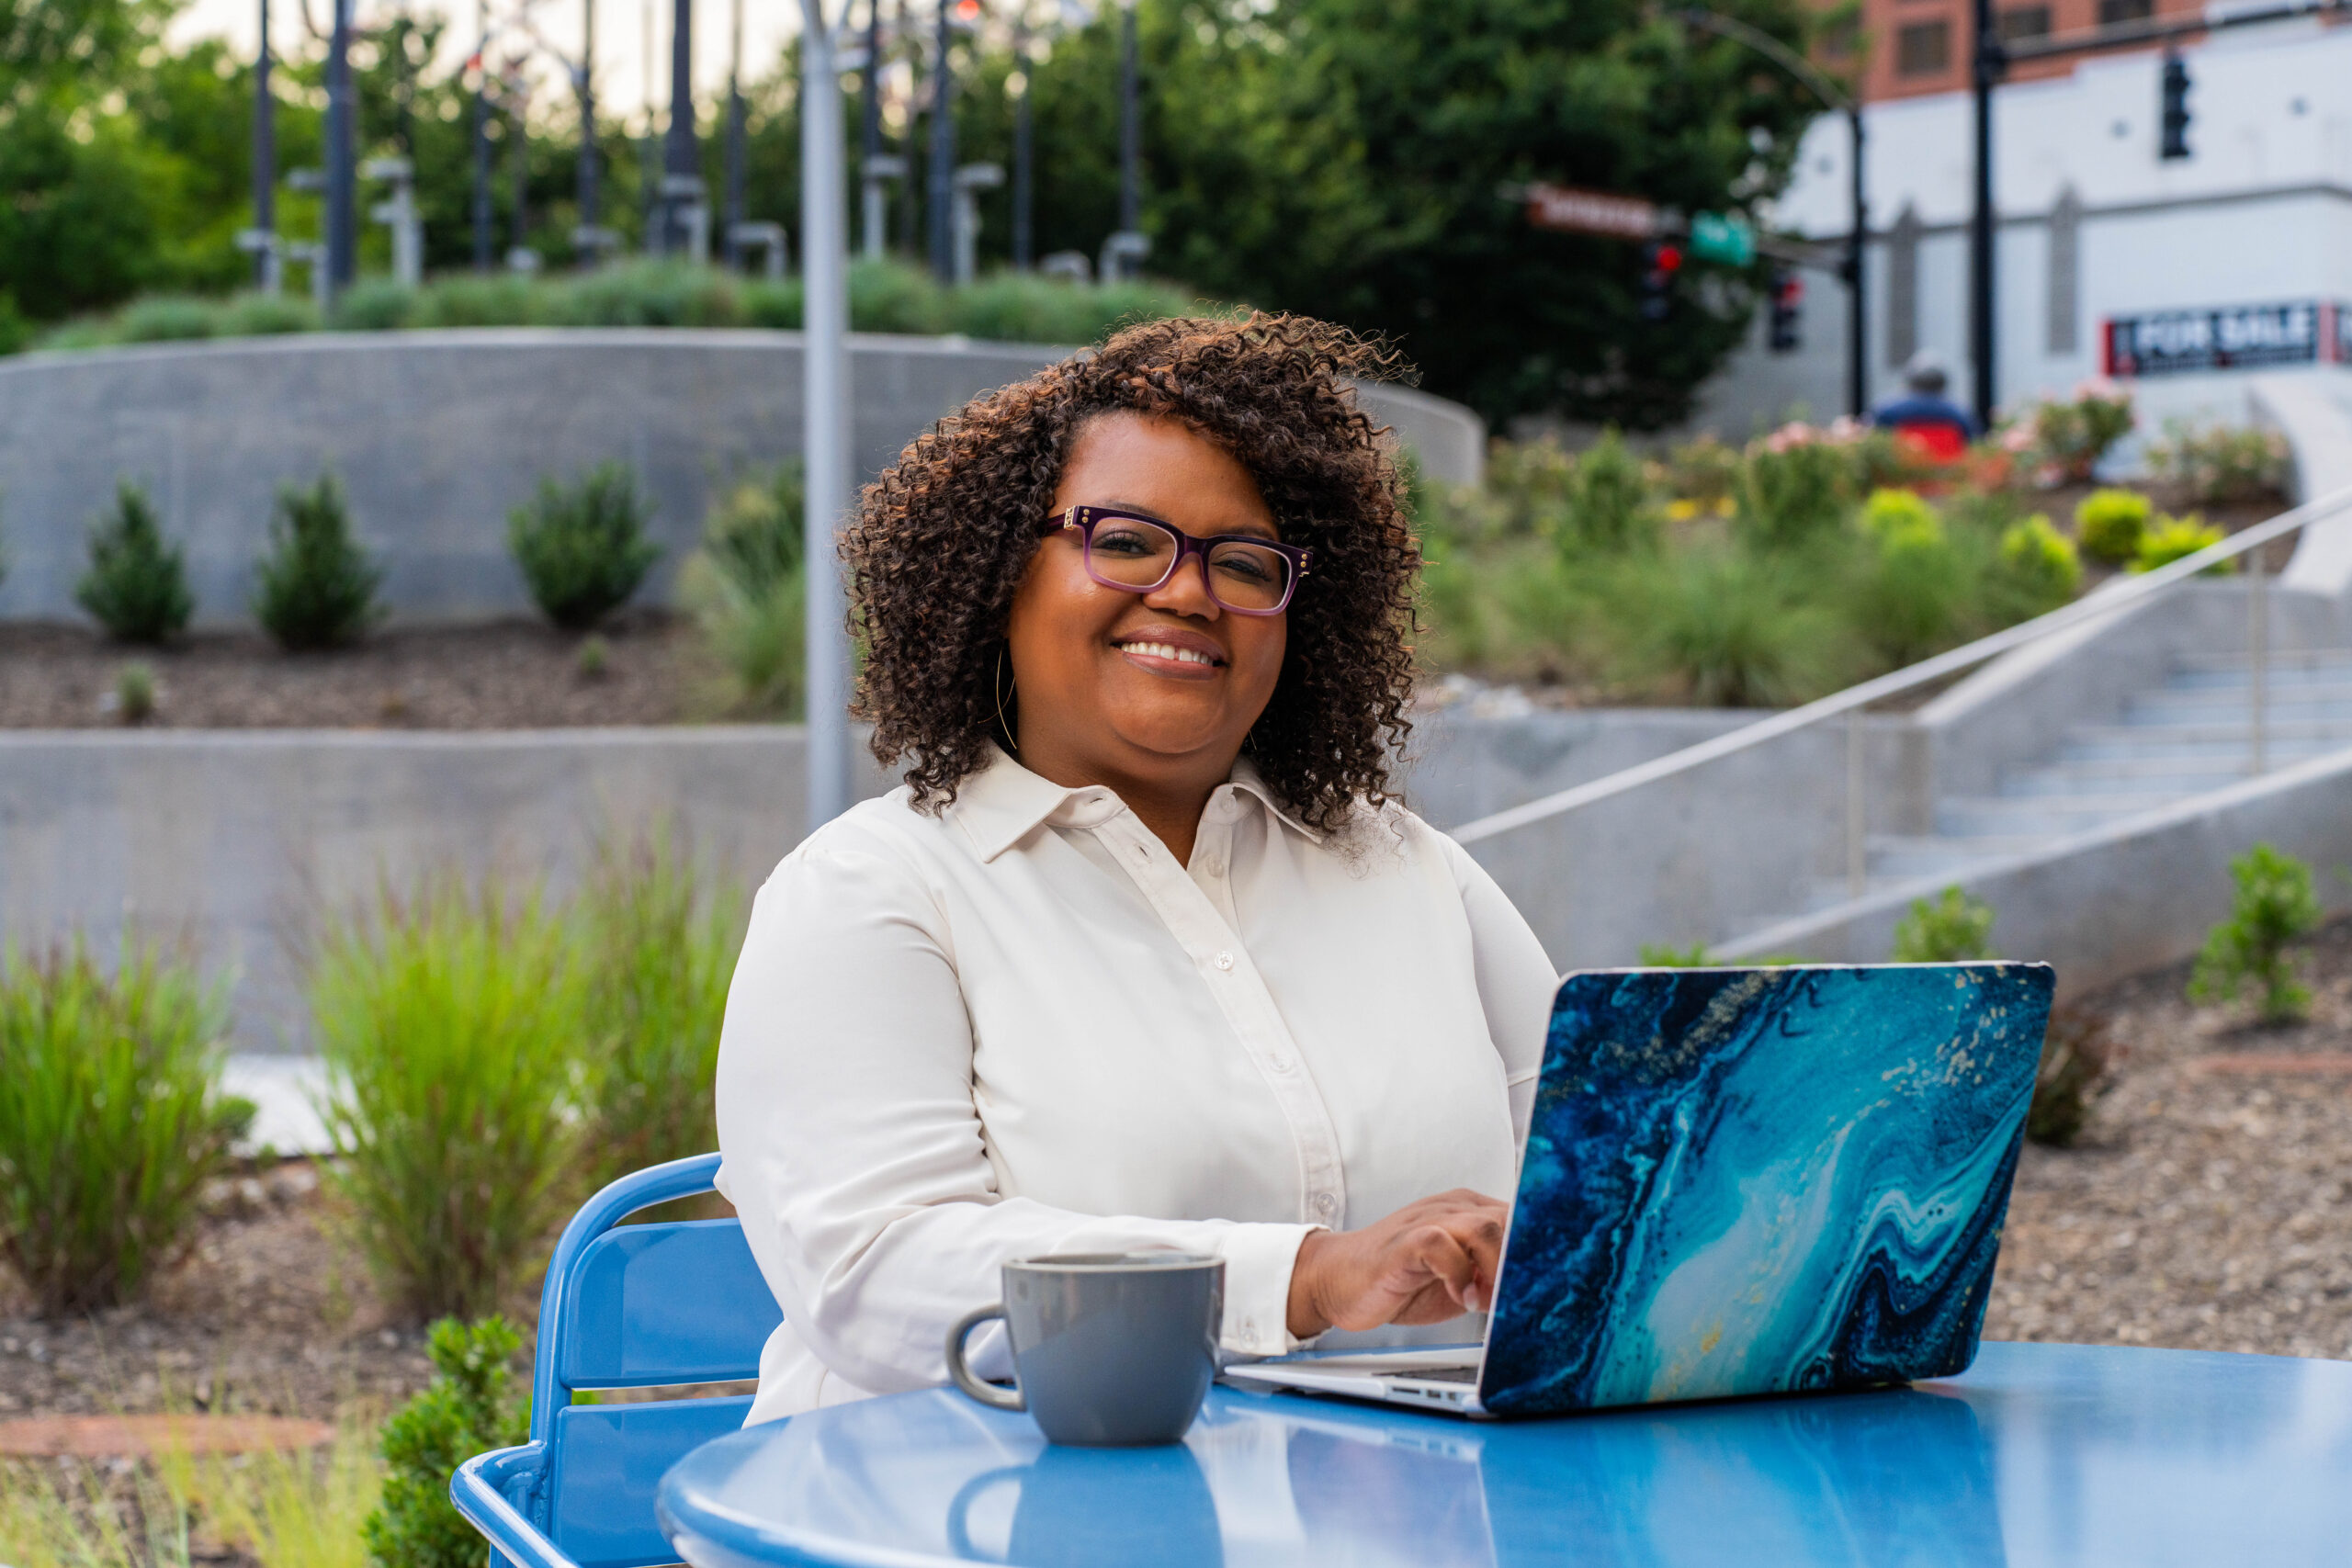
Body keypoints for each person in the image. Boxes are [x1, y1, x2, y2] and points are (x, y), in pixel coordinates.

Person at [713, 313, 1559, 1423]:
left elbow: (1591, 1173)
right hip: (963, 1519)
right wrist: (1301, 1279)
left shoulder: (1409, 870)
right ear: (997, 571)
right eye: (1123, 541)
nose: (1189, 592)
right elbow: (877, 1274)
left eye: (1245, 563)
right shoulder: (870, 893)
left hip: (1383, 1518)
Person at [1871, 349, 1979, 461]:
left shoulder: (1886, 411)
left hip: (1900, 474)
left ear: (1910, 380)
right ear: (1943, 383)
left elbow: (1874, 446)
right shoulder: (1961, 414)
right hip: (1949, 474)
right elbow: (1973, 448)